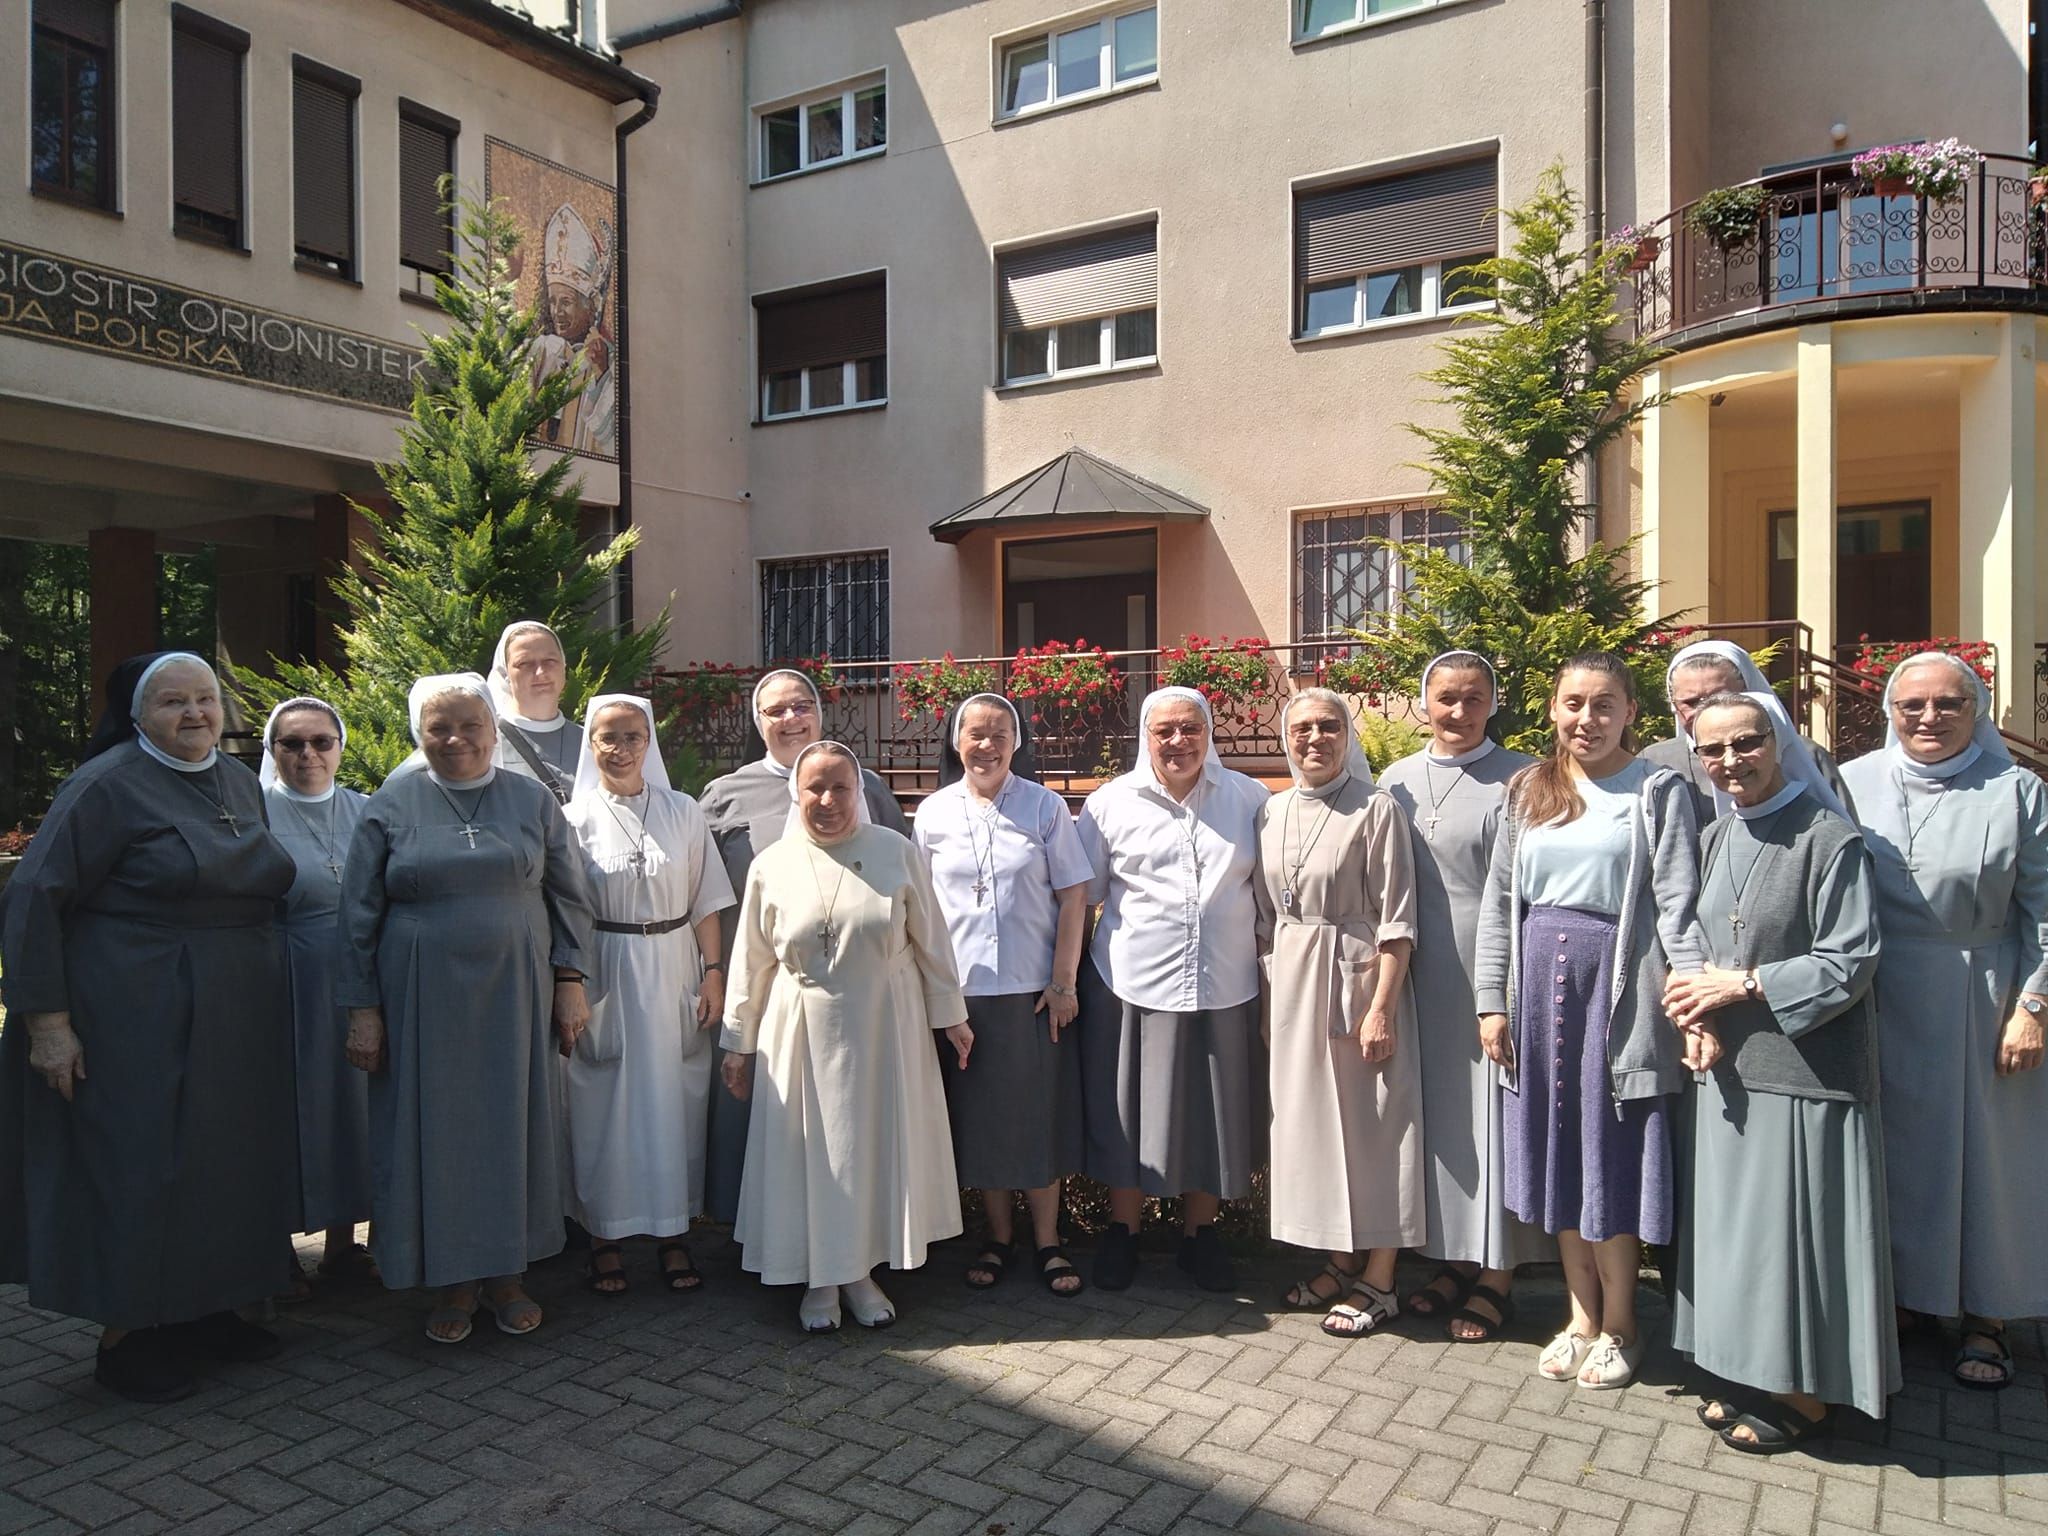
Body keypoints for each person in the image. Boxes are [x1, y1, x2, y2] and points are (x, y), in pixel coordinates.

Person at [0, 652, 298, 1402]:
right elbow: (32, 898)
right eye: (173, 702)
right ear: (137, 714)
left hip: (236, 1010)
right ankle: (128, 1338)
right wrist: (48, 1024)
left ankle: (210, 1307)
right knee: (143, 1163)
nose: (195, 713)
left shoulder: (239, 780)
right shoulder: (105, 785)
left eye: (206, 698)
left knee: (226, 1159)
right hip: (134, 1009)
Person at [1665, 691, 1897, 1450]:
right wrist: (1695, 1016)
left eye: (1746, 743)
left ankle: (1807, 1394)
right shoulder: (1715, 835)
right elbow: (1696, 948)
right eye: (1712, 749)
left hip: (1807, 1071)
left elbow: (1850, 961)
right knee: (1743, 1240)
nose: (1730, 761)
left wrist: (1743, 986)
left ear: (1778, 742)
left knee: (1794, 1243)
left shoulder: (1829, 838)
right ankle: (1752, 1369)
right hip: (1730, 1068)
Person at [337, 673, 596, 1344]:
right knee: (437, 1129)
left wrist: (570, 979)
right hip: (419, 994)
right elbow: (357, 914)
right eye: (439, 728)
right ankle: (451, 1278)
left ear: (492, 729)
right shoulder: (391, 804)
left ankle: (508, 1274)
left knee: (511, 1124)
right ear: (419, 734)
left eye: (470, 726)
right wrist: (363, 1007)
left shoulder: (530, 799)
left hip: (517, 989)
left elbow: (570, 895)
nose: (456, 739)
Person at [1473, 651, 1703, 1389]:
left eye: (1604, 705)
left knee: (1612, 1153)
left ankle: (1623, 1324)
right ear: (1552, 709)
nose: (1588, 719)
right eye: (1574, 703)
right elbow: (1500, 903)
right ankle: (1580, 1318)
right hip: (1539, 988)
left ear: (1631, 711)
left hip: (1618, 991)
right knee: (1560, 1153)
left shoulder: (1656, 790)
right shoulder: (1528, 789)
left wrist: (1690, 1000)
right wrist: (1492, 1000)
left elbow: (1678, 903)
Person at [1839, 652, 2048, 1391]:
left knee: (1988, 1162)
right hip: (1878, 995)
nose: (1929, 717)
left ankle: (1989, 1315)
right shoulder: (1852, 782)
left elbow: (2045, 908)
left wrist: (2035, 1005)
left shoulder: (2017, 791)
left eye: (1949, 704)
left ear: (1976, 711)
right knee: (1896, 1156)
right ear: (1890, 711)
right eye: (1913, 705)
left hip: (1983, 995)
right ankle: (1910, 1297)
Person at [719, 741, 970, 1333]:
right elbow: (751, 961)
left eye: (840, 788)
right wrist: (738, 1043)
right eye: (816, 788)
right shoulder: (772, 865)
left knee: (868, 1150)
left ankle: (859, 1272)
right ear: (796, 793)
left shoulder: (895, 851)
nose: (828, 800)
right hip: (800, 1031)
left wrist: (951, 1016)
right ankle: (821, 1279)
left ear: (859, 792)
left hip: (886, 1026)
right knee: (814, 1155)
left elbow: (932, 940)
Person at [1075, 686, 1269, 1294]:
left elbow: (1267, 894)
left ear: (1209, 733)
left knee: (1213, 1112)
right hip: (1131, 981)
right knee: (1127, 1113)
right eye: (1165, 731)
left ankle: (1199, 1236)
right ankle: (1123, 1231)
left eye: (1190, 728)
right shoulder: (1109, 804)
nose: (1178, 741)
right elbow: (1085, 897)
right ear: (1146, 737)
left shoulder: (1249, 799)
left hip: (1225, 981)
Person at [698, 670, 910, 1225]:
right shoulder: (725, 795)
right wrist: (714, 972)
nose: (791, 718)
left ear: (820, 712)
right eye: (776, 710)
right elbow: (705, 894)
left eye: (802, 705)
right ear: (757, 722)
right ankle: (765, 1235)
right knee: (767, 1118)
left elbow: (903, 889)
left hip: (859, 993)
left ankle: (859, 1237)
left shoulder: (867, 787)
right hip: (767, 986)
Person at [1379, 651, 1549, 1342]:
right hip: (1418, 971)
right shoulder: (1394, 780)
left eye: (1473, 697)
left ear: (1493, 702)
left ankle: (1498, 1274)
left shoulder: (1525, 777)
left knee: (1491, 1118)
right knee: (1440, 1122)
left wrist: (1503, 985)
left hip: (1491, 967)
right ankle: (1454, 1259)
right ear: (1424, 704)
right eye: (1445, 697)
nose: (1458, 710)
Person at [913, 694, 1092, 1297]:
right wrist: (936, 995)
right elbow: (921, 910)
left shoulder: (1044, 806)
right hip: (962, 998)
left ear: (1017, 743)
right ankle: (997, 1237)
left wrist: (1063, 982)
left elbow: (1073, 894)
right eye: (976, 735)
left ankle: (1048, 1240)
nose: (987, 746)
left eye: (1000, 735)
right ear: (955, 742)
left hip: (1034, 995)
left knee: (1038, 1119)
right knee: (984, 1123)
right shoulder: (933, 814)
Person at [1256, 688, 1423, 1338]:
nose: (1315, 739)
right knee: (1315, 1131)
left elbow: (1398, 918)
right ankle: (1339, 1259)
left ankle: (1381, 1278)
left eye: (1328, 726)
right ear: (1286, 738)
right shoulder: (1271, 811)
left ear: (1347, 735)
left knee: (1375, 1128)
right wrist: (1270, 995)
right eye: (1302, 728)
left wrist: (1382, 1006)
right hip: (1293, 984)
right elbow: (1266, 915)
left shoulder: (1376, 808)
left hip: (1358, 979)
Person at [560, 695, 735, 1294]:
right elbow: (564, 911)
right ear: (591, 744)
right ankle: (604, 1238)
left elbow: (706, 899)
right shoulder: (572, 818)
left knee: (673, 1105)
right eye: (608, 737)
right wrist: (569, 985)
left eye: (633, 736)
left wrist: (713, 972)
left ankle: (672, 1234)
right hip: (604, 965)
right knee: (602, 1105)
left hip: (674, 965)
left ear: (649, 741)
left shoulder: (683, 810)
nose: (621, 748)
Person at [261, 696, 376, 1299]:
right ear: (272, 750)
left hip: (357, 976)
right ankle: (274, 1250)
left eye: (321, 741)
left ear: (340, 746)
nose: (308, 754)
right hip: (283, 977)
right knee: (282, 1108)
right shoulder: (256, 811)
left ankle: (342, 1246)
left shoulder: (366, 809)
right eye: (292, 743)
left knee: (351, 1109)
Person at [1640, 639, 1848, 824]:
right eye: (1691, 702)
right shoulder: (1654, 763)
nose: (1707, 711)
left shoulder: (1809, 755)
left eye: (1721, 698)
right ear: (1674, 705)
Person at [488, 620, 583, 801]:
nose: (540, 672)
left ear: (564, 666)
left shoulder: (590, 741)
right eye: (525, 663)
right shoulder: (489, 743)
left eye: (550, 661)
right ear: (505, 673)